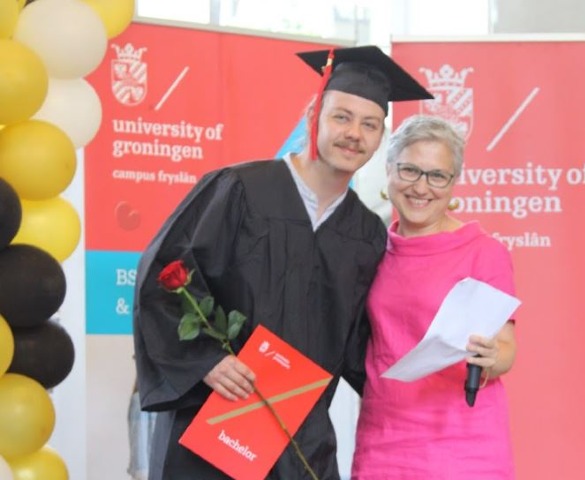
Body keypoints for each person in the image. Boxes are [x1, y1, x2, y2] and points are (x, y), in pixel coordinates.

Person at [132, 46, 433, 480]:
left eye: (370, 125)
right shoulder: (239, 189)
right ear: (314, 113)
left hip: (300, 436)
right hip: (214, 418)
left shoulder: (366, 233)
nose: (354, 134)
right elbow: (164, 276)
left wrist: (436, 361)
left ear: (380, 139)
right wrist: (205, 360)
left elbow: (362, 340)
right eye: (342, 117)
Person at [351, 115, 519, 479]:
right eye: (410, 170)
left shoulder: (482, 252)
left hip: (462, 444)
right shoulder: (369, 249)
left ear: (454, 182)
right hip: (383, 438)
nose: (421, 187)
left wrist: (491, 357)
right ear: (389, 170)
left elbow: (505, 347)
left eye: (437, 175)